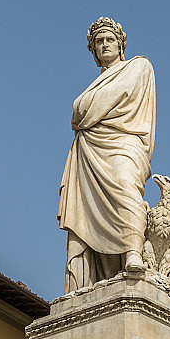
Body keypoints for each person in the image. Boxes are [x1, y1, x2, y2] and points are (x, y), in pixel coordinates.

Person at [58, 16, 156, 293]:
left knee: (127, 190)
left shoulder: (138, 67)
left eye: (109, 39)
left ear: (120, 44)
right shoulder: (94, 85)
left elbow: (84, 111)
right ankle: (97, 278)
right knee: (88, 213)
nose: (104, 45)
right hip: (90, 152)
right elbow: (81, 112)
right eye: (98, 42)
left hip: (125, 144)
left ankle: (133, 253)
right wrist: (84, 110)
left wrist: (85, 110)